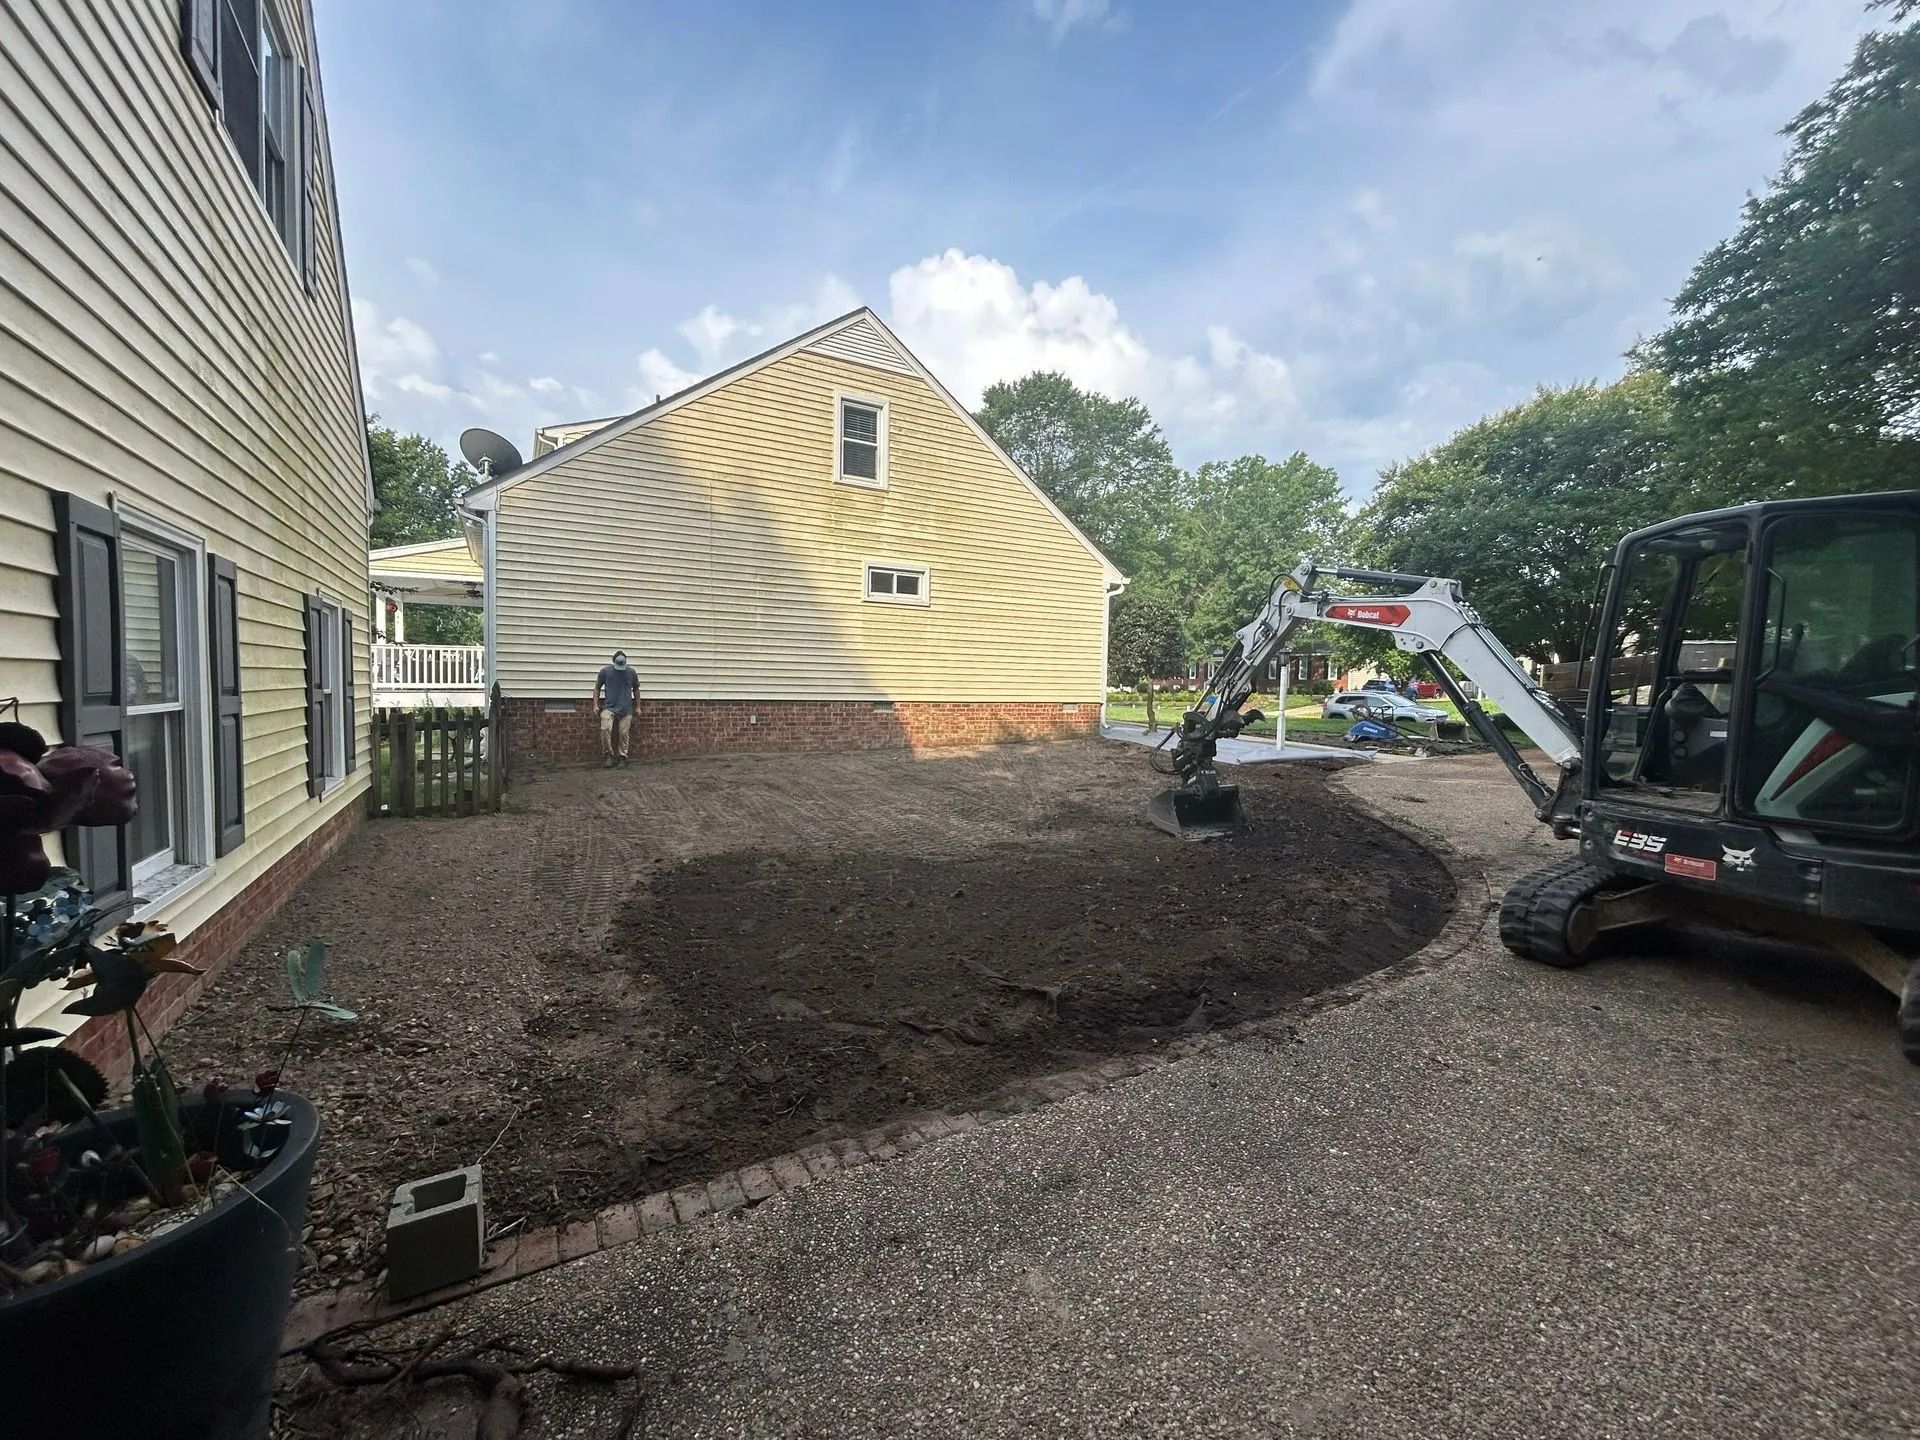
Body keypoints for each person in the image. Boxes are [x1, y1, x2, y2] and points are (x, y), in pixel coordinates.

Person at [594, 651, 638, 768]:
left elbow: (636, 690)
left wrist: (638, 707)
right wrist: (595, 705)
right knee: (605, 729)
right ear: (613, 662)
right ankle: (608, 754)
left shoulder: (631, 672)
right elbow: (597, 688)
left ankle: (622, 756)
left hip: (626, 708)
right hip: (609, 707)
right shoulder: (605, 672)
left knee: (623, 733)